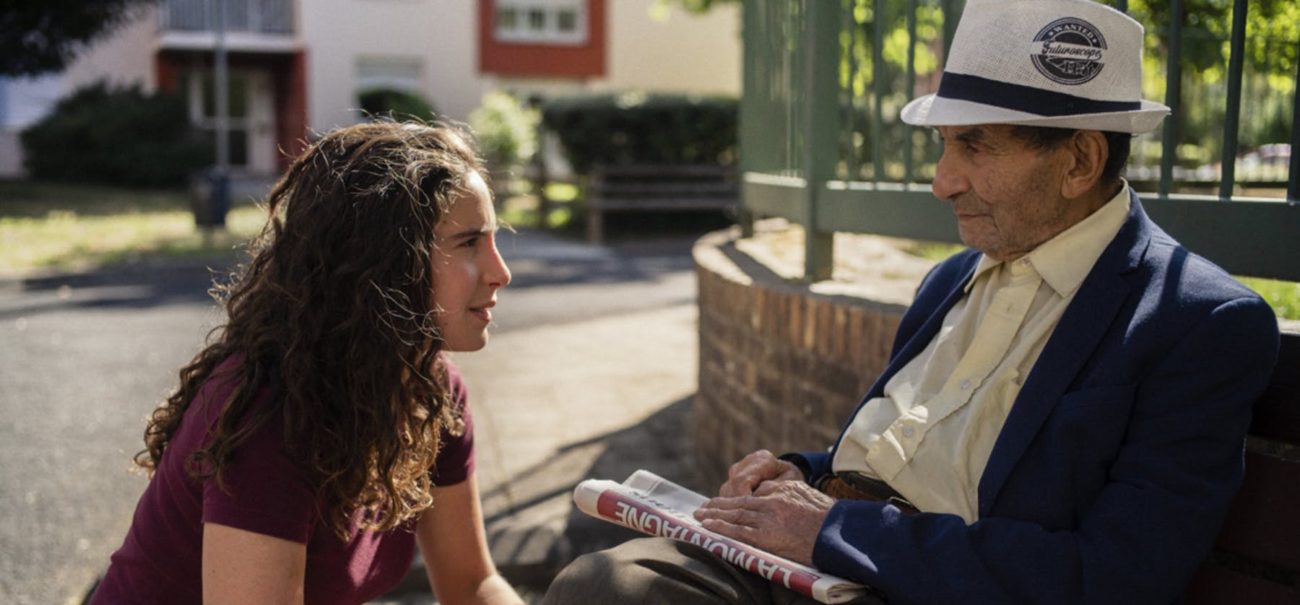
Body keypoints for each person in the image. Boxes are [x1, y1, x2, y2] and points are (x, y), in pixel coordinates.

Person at [543, 1, 1281, 603]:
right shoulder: (950, 278)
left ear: (1080, 160)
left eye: (974, 146)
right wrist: (799, 475)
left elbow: (1119, 576)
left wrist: (833, 531)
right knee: (604, 582)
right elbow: (900, 460)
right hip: (822, 563)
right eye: (943, 145)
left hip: (922, 585)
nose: (942, 181)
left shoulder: (1197, 322)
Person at [91, 121, 523, 605]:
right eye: (468, 243)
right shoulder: (271, 418)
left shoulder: (429, 390)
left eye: (493, 239)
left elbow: (471, 584)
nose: (501, 272)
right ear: (383, 261)